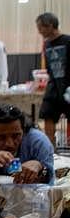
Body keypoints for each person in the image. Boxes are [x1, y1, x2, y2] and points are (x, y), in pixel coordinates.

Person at [0, 105, 54, 184]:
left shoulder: (38, 142)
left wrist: (40, 166)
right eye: (1, 138)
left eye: (16, 136)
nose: (9, 144)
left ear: (23, 130)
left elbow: (49, 182)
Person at [36, 12, 70, 147]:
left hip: (68, 86)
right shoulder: (47, 44)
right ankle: (50, 146)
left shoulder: (67, 41)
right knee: (47, 114)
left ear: (50, 25)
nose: (39, 31)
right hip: (54, 86)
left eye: (40, 27)